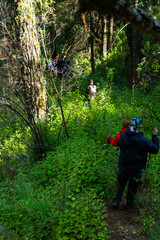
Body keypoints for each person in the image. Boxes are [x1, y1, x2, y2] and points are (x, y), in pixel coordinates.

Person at [112, 116, 159, 210]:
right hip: (136, 169)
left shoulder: (123, 136)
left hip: (123, 166)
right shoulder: (142, 140)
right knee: (132, 187)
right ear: (140, 126)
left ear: (131, 125)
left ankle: (116, 202)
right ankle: (129, 206)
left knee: (120, 184)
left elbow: (120, 145)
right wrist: (154, 136)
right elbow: (155, 149)